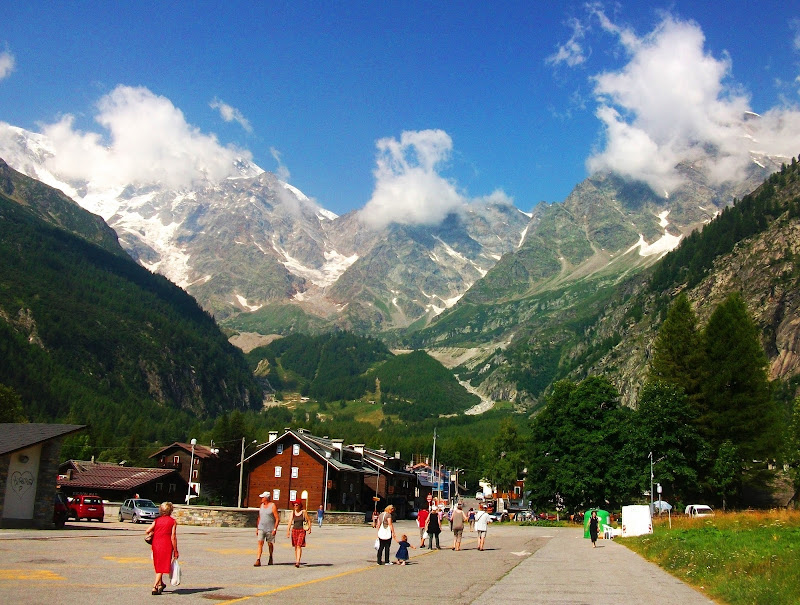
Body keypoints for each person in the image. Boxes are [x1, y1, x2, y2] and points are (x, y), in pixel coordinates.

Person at [144, 501, 178, 595]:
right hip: (166, 545)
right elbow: (173, 537)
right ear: (170, 511)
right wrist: (175, 550)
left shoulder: (157, 520)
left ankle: (161, 584)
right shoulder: (172, 521)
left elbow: (147, 531)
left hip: (156, 544)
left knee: (158, 564)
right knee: (162, 566)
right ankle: (154, 586)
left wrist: (153, 533)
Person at [254, 491, 279, 567]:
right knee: (260, 543)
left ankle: (270, 556)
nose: (261, 499)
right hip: (261, 527)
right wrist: (257, 528)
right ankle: (258, 559)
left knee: (270, 544)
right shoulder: (261, 506)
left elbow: (277, 518)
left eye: (263, 497)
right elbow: (259, 517)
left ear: (266, 498)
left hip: (270, 528)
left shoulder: (272, 506)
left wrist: (275, 529)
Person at [286, 500, 312, 567]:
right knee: (295, 546)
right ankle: (297, 559)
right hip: (294, 530)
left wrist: (309, 528)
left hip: (301, 531)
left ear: (300, 505)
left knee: (299, 545)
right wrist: (288, 531)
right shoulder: (293, 513)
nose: (295, 506)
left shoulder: (303, 512)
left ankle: (297, 562)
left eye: (296, 505)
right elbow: (290, 522)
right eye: (294, 505)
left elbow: (308, 520)